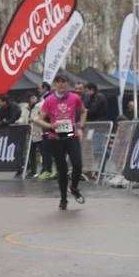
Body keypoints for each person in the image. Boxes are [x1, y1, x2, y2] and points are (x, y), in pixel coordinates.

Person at [35, 74, 86, 210]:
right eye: (58, 83)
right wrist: (50, 126)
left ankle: (73, 187)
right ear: (54, 85)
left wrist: (80, 126)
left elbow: (83, 111)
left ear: (68, 84)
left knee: (78, 165)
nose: (61, 85)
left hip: (71, 135)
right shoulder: (49, 100)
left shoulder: (75, 98)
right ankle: (63, 199)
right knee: (62, 170)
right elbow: (38, 119)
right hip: (55, 138)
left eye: (64, 82)